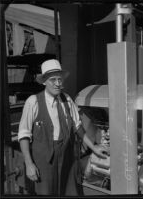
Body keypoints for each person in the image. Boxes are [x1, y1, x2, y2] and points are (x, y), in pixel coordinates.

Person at [18, 59, 107, 196]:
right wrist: (29, 164)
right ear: (44, 81)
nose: (58, 84)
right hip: (43, 161)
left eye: (60, 80)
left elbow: (78, 127)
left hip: (66, 157)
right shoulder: (33, 102)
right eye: (53, 80)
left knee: (68, 191)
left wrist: (94, 147)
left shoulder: (67, 99)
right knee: (46, 193)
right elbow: (24, 135)